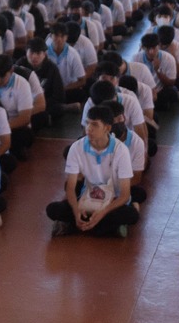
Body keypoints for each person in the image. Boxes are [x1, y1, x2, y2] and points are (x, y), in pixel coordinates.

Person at [49, 102, 139, 237]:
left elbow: (125, 194)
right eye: (88, 123)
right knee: (52, 210)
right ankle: (100, 227)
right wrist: (76, 210)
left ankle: (84, 225)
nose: (89, 129)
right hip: (87, 200)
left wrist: (102, 212)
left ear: (107, 128)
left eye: (95, 125)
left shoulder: (120, 151)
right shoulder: (77, 147)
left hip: (112, 202)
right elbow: (70, 187)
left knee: (131, 215)